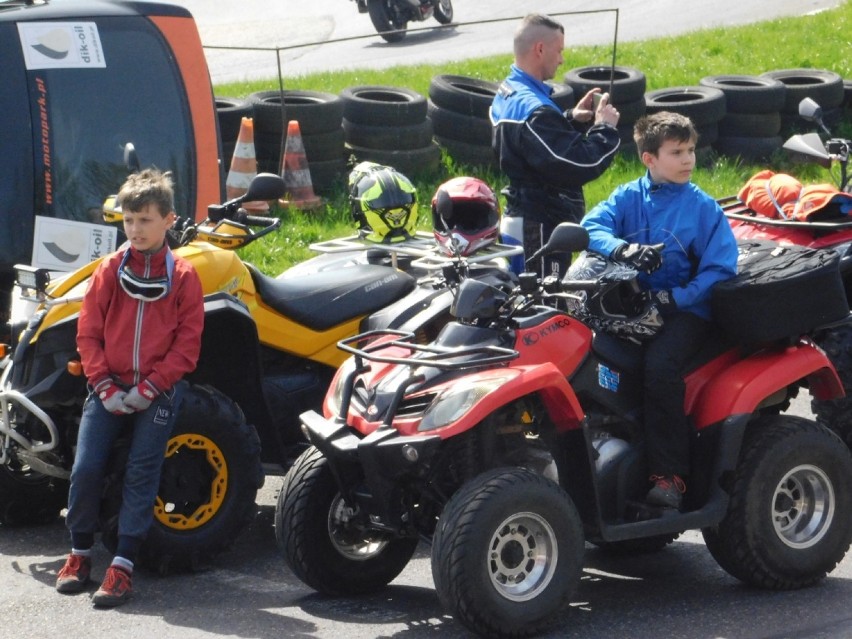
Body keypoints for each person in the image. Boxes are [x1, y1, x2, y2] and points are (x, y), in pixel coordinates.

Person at [55, 168, 204, 606]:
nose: (135, 229)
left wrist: (150, 388)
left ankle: (122, 567)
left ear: (168, 220)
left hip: (156, 394)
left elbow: (187, 348)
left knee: (142, 471)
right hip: (107, 387)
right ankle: (80, 553)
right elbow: (88, 333)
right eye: (128, 220)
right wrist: (103, 384)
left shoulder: (184, 277)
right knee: (86, 468)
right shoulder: (107, 271)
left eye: (145, 220)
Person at [581, 111, 738, 510]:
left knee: (659, 367)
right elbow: (590, 225)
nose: (688, 160)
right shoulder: (628, 197)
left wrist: (675, 299)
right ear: (649, 159)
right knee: (589, 356)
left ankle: (669, 477)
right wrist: (622, 248)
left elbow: (721, 270)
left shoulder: (703, 208)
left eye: (690, 151)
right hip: (634, 308)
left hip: (690, 312)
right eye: (676, 152)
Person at [490, 12, 621, 279]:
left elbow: (531, 147)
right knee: (542, 305)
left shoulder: (508, 91)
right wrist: (604, 129)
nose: (562, 59)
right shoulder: (534, 109)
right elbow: (579, 163)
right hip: (540, 225)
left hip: (522, 216)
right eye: (559, 50)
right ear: (540, 49)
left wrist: (570, 119)